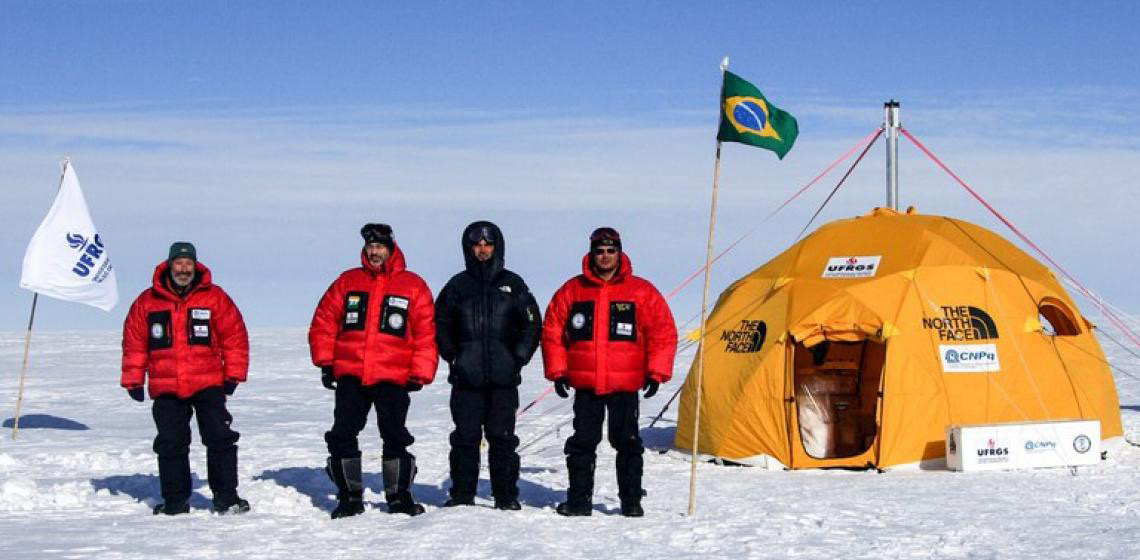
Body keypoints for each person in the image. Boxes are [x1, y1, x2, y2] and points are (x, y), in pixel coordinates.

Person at [541, 227, 677, 517]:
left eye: (610, 251)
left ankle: (631, 502)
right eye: (599, 251)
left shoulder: (641, 291)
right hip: (586, 384)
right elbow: (552, 331)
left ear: (620, 253)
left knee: (627, 443)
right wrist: (558, 371)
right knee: (582, 443)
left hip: (625, 385)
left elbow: (662, 332)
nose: (605, 256)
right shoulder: (572, 290)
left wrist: (656, 372)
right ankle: (579, 501)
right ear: (591, 254)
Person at [309, 223, 438, 518]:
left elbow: (425, 333)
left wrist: (419, 372)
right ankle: (349, 496)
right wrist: (326, 362)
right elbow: (324, 322)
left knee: (394, 434)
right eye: (370, 247)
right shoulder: (347, 281)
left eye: (379, 247)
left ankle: (398, 497)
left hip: (393, 375)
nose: (374, 251)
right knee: (343, 433)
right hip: (351, 372)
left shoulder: (413, 285)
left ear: (391, 249)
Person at [121, 242, 250, 515]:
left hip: (208, 384)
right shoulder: (147, 301)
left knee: (220, 438)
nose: (183, 269)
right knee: (170, 444)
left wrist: (234, 374)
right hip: (166, 386)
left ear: (195, 266)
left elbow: (234, 337)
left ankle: (226, 497)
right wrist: (133, 378)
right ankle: (175, 502)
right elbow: (134, 343)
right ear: (169, 265)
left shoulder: (215, 298)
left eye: (188, 264)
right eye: (178, 263)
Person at [435, 221, 541, 510]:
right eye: (477, 244)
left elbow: (532, 325)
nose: (482, 249)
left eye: (488, 243)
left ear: (497, 247)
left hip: (503, 379)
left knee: (502, 438)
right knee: (465, 438)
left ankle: (505, 495)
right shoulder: (457, 286)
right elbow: (440, 322)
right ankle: (462, 494)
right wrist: (452, 355)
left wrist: (517, 358)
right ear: (469, 248)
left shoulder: (513, 284)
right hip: (466, 378)